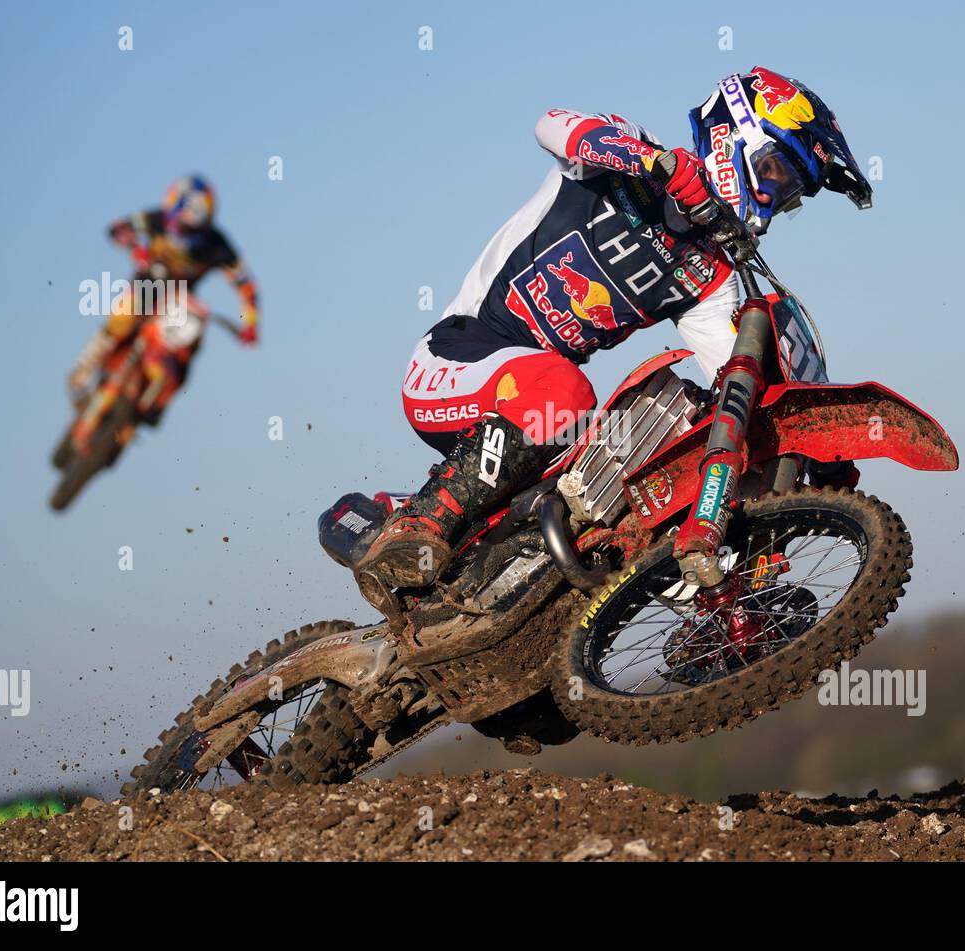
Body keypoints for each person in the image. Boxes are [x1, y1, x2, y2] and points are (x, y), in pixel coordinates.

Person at [355, 67, 873, 612]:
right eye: (774, 173)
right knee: (565, 391)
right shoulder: (618, 157)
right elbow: (552, 125)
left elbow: (741, 390)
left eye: (788, 193)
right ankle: (421, 521)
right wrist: (658, 164)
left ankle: (709, 608)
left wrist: (816, 452)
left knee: (662, 442)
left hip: (537, 419)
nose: (772, 198)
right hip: (457, 359)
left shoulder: (710, 274)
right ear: (735, 135)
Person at [67, 175, 259, 416]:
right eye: (176, 222)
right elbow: (119, 228)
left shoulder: (218, 246)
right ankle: (82, 373)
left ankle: (159, 401)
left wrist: (250, 324)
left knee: (191, 345)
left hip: (179, 301)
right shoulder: (156, 218)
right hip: (149, 284)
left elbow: (247, 286)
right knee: (123, 318)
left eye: (188, 227)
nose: (179, 229)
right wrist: (134, 247)